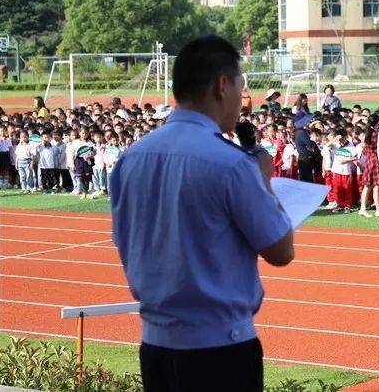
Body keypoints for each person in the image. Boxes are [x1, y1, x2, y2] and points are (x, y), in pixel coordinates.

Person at [111, 36, 294, 392]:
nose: (242, 102)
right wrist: (264, 182)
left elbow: (124, 239)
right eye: (242, 89)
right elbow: (281, 250)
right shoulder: (232, 164)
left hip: (155, 346)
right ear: (222, 86)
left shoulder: (132, 158)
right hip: (220, 349)